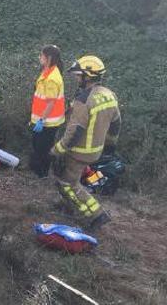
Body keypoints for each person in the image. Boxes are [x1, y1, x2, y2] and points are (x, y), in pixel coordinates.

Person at [51, 55, 120, 230]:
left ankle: (97, 215)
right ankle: (67, 207)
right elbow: (116, 123)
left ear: (88, 76)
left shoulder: (84, 99)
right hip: (97, 150)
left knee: (67, 184)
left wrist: (58, 149)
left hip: (79, 151)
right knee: (70, 180)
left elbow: (75, 131)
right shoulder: (108, 95)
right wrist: (110, 145)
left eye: (78, 75)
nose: (76, 78)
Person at [28, 45, 66, 177]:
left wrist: (41, 120)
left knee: (42, 149)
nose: (39, 57)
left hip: (47, 122)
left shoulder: (52, 78)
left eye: (41, 55)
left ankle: (42, 174)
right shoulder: (48, 71)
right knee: (38, 146)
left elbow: (51, 103)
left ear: (48, 58)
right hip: (43, 120)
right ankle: (36, 170)